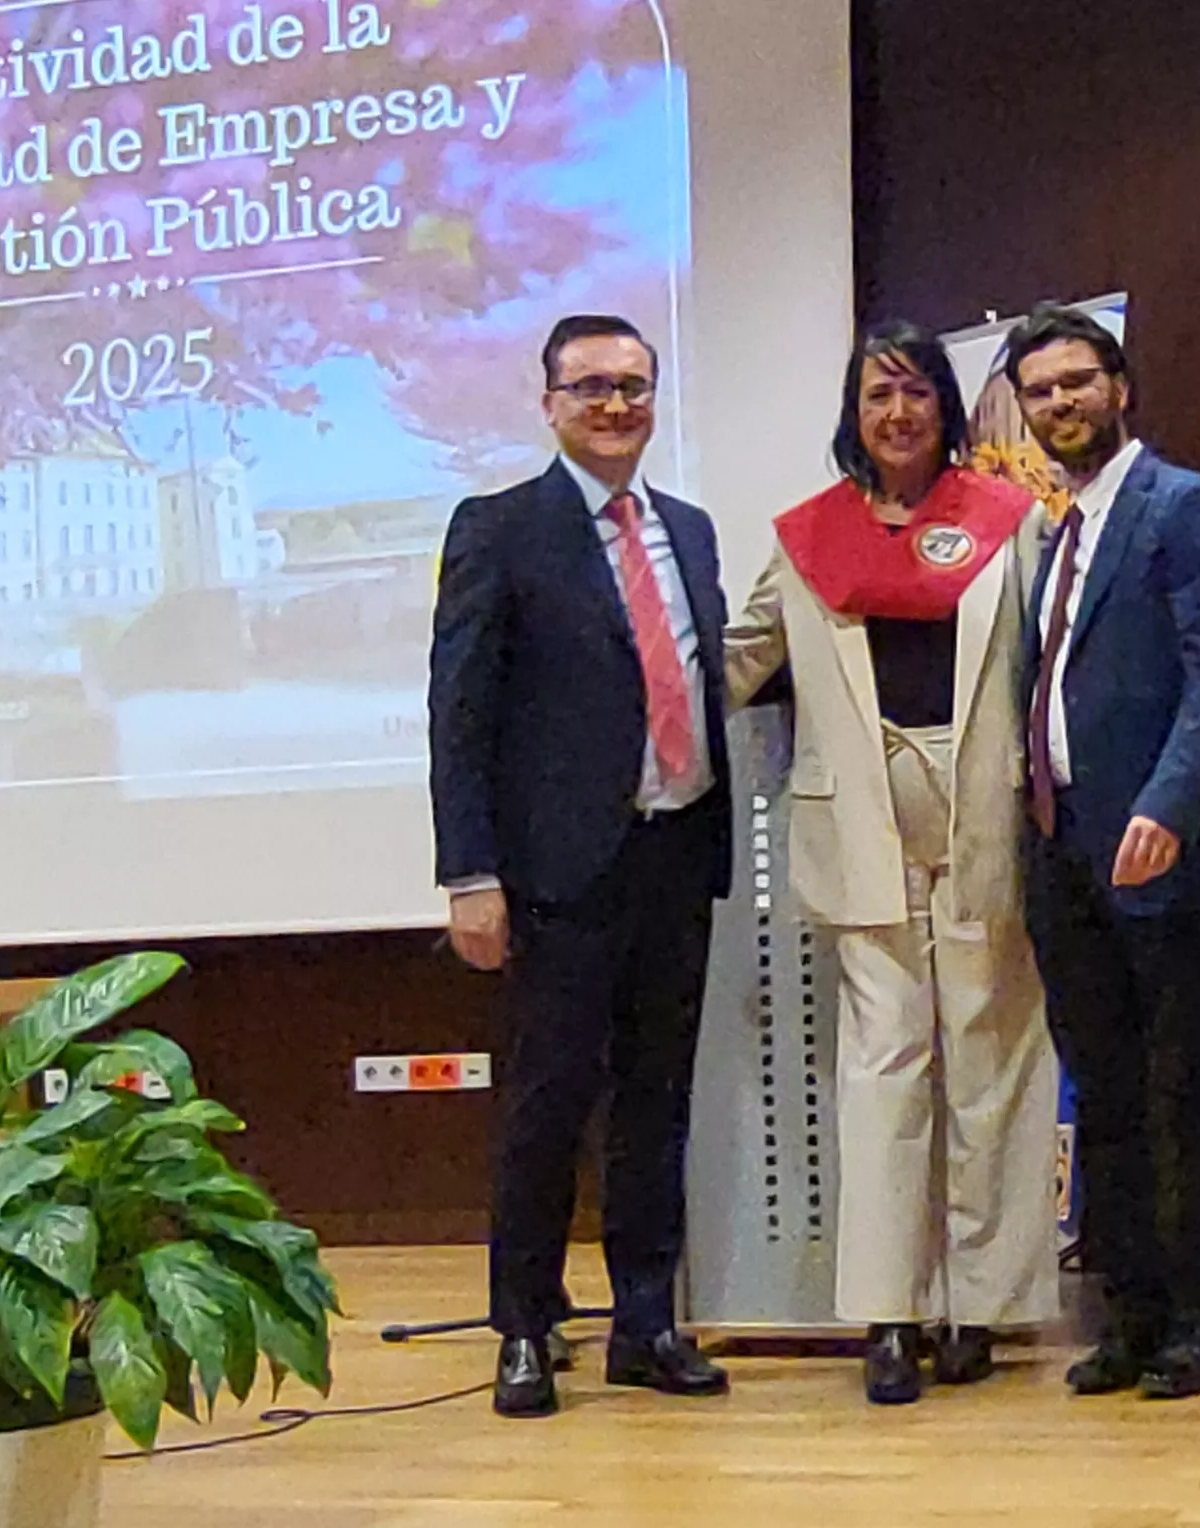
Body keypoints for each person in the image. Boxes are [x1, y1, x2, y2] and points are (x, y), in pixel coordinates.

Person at [725, 323, 1062, 1405]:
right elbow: (738, 662)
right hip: (859, 821)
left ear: (947, 408)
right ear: (852, 412)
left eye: (917, 393)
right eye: (879, 395)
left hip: (986, 819)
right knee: (882, 1068)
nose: (899, 414)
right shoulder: (806, 537)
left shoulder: (1010, 525)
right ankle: (889, 1312)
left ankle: (984, 1302)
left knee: (990, 1056)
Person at [429, 314, 733, 1419]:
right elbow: (457, 715)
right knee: (549, 1105)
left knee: (659, 1104)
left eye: (635, 387)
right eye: (593, 387)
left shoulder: (690, 532)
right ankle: (526, 1324)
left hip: (675, 852)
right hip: (558, 872)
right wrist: (469, 872)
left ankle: (646, 1322)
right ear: (550, 401)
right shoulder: (500, 528)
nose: (617, 406)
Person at [1003, 304, 1200, 1401]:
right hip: (1067, 854)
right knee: (1100, 1091)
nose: (1061, 403)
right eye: (1041, 390)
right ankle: (1127, 1316)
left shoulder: (1184, 507)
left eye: (1078, 382)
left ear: (1121, 389)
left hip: (1168, 851)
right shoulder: (1058, 530)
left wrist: (1166, 805)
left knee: (1185, 1090)